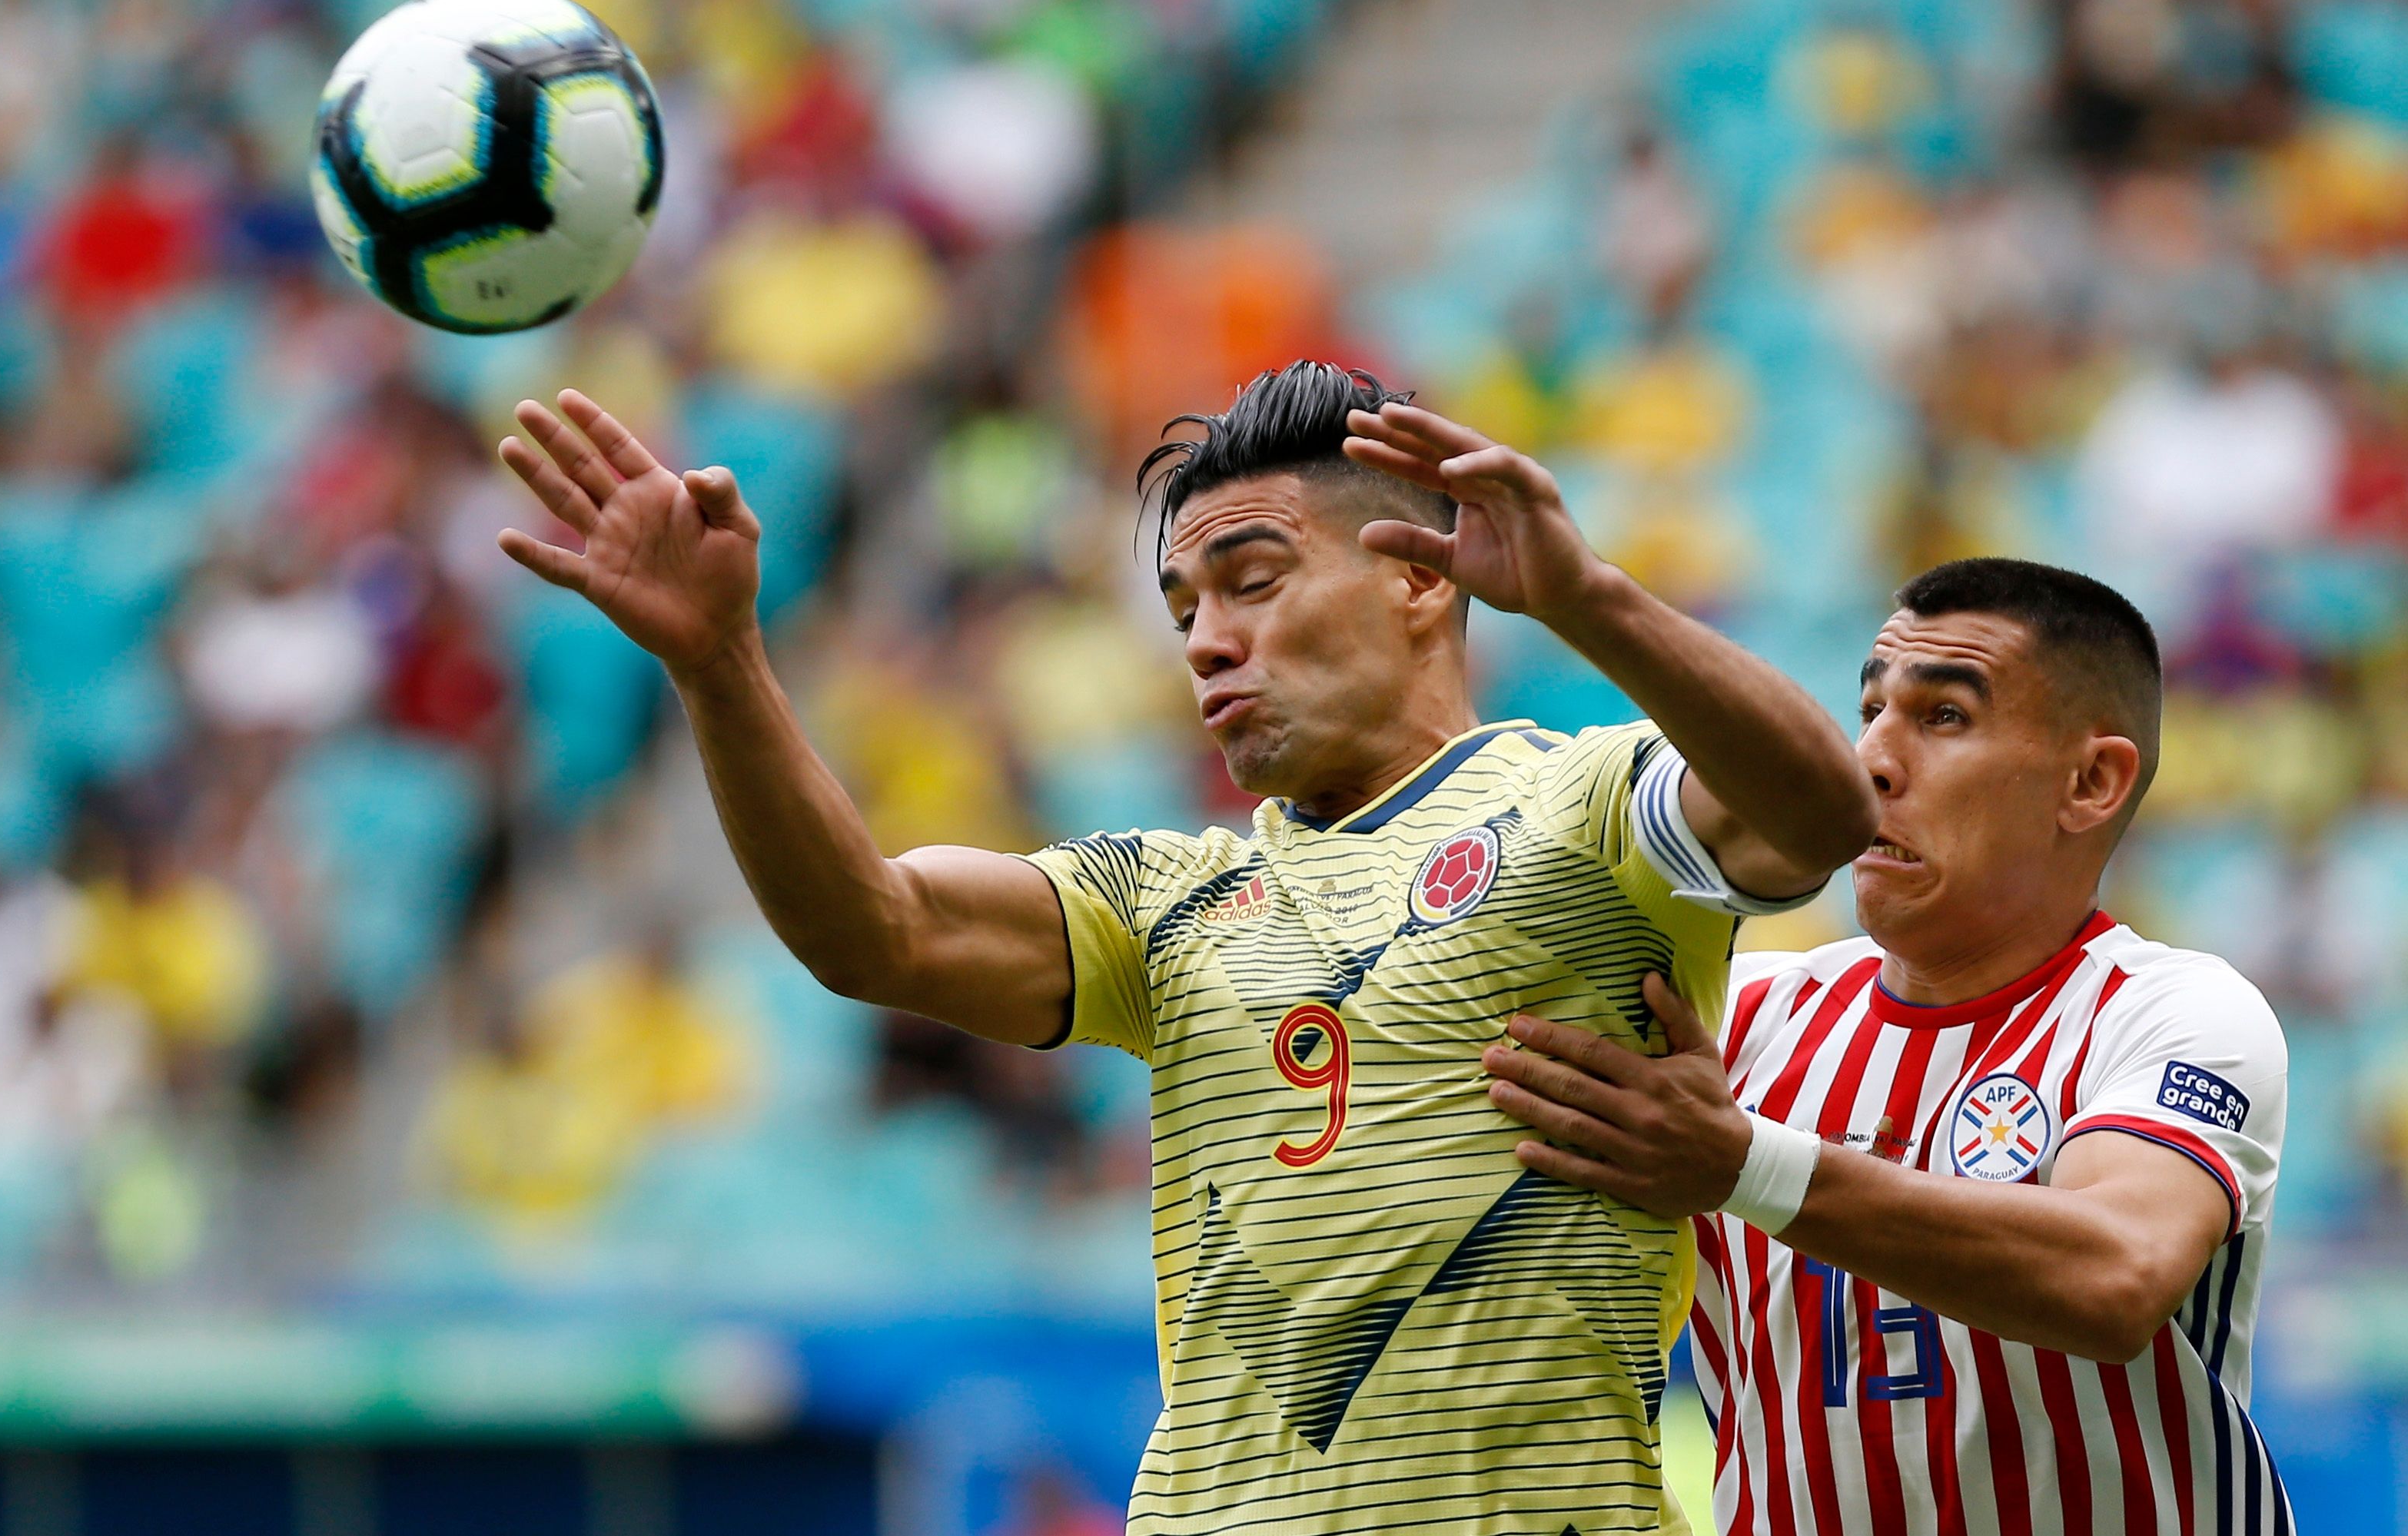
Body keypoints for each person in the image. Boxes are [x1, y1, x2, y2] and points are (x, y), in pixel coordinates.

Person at [491, 360, 1879, 1534]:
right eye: (1180, 611)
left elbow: (1820, 813)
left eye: (1251, 580)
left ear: (1417, 578)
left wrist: (1584, 598)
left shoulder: (1584, 806)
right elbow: (873, 930)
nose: (1207, 641)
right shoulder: (1164, 898)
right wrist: (719, 661)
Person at [1481, 558, 2293, 1535]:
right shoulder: (1736, 1020)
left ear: (2091, 781)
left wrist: (1744, 1163)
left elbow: (2116, 1274)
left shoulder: (2174, 1012)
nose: (1870, 759)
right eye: (1869, 709)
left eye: (1944, 716)